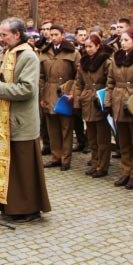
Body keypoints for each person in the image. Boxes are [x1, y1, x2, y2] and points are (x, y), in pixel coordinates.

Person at [0, 17, 51, 222]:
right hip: (8, 118)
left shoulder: (28, 56)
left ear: (17, 34)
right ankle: (11, 207)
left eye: (4, 35)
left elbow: (27, 88)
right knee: (13, 167)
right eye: (0, 35)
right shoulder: (9, 53)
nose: (1, 39)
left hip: (22, 121)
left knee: (24, 168)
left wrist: (1, 88)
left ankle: (29, 208)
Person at [105, 27, 133, 189]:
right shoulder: (116, 58)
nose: (123, 43)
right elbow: (110, 82)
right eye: (121, 40)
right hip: (118, 101)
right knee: (123, 141)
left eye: (126, 40)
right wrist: (108, 102)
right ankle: (126, 171)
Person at [40, 24, 81, 171]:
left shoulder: (73, 53)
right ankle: (55, 156)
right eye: (51, 35)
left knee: (66, 127)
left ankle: (66, 159)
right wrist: (42, 95)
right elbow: (41, 77)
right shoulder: (44, 52)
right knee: (52, 128)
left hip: (65, 93)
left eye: (56, 34)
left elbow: (79, 75)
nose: (53, 37)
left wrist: (72, 92)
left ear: (63, 35)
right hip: (49, 92)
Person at [73, 34, 113, 178]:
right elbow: (78, 84)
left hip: (99, 100)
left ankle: (103, 165)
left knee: (102, 136)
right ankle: (95, 162)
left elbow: (110, 83)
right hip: (87, 100)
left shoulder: (106, 62)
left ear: (98, 46)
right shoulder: (83, 63)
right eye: (86, 46)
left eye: (91, 46)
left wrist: (107, 101)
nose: (88, 49)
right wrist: (77, 101)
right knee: (92, 136)